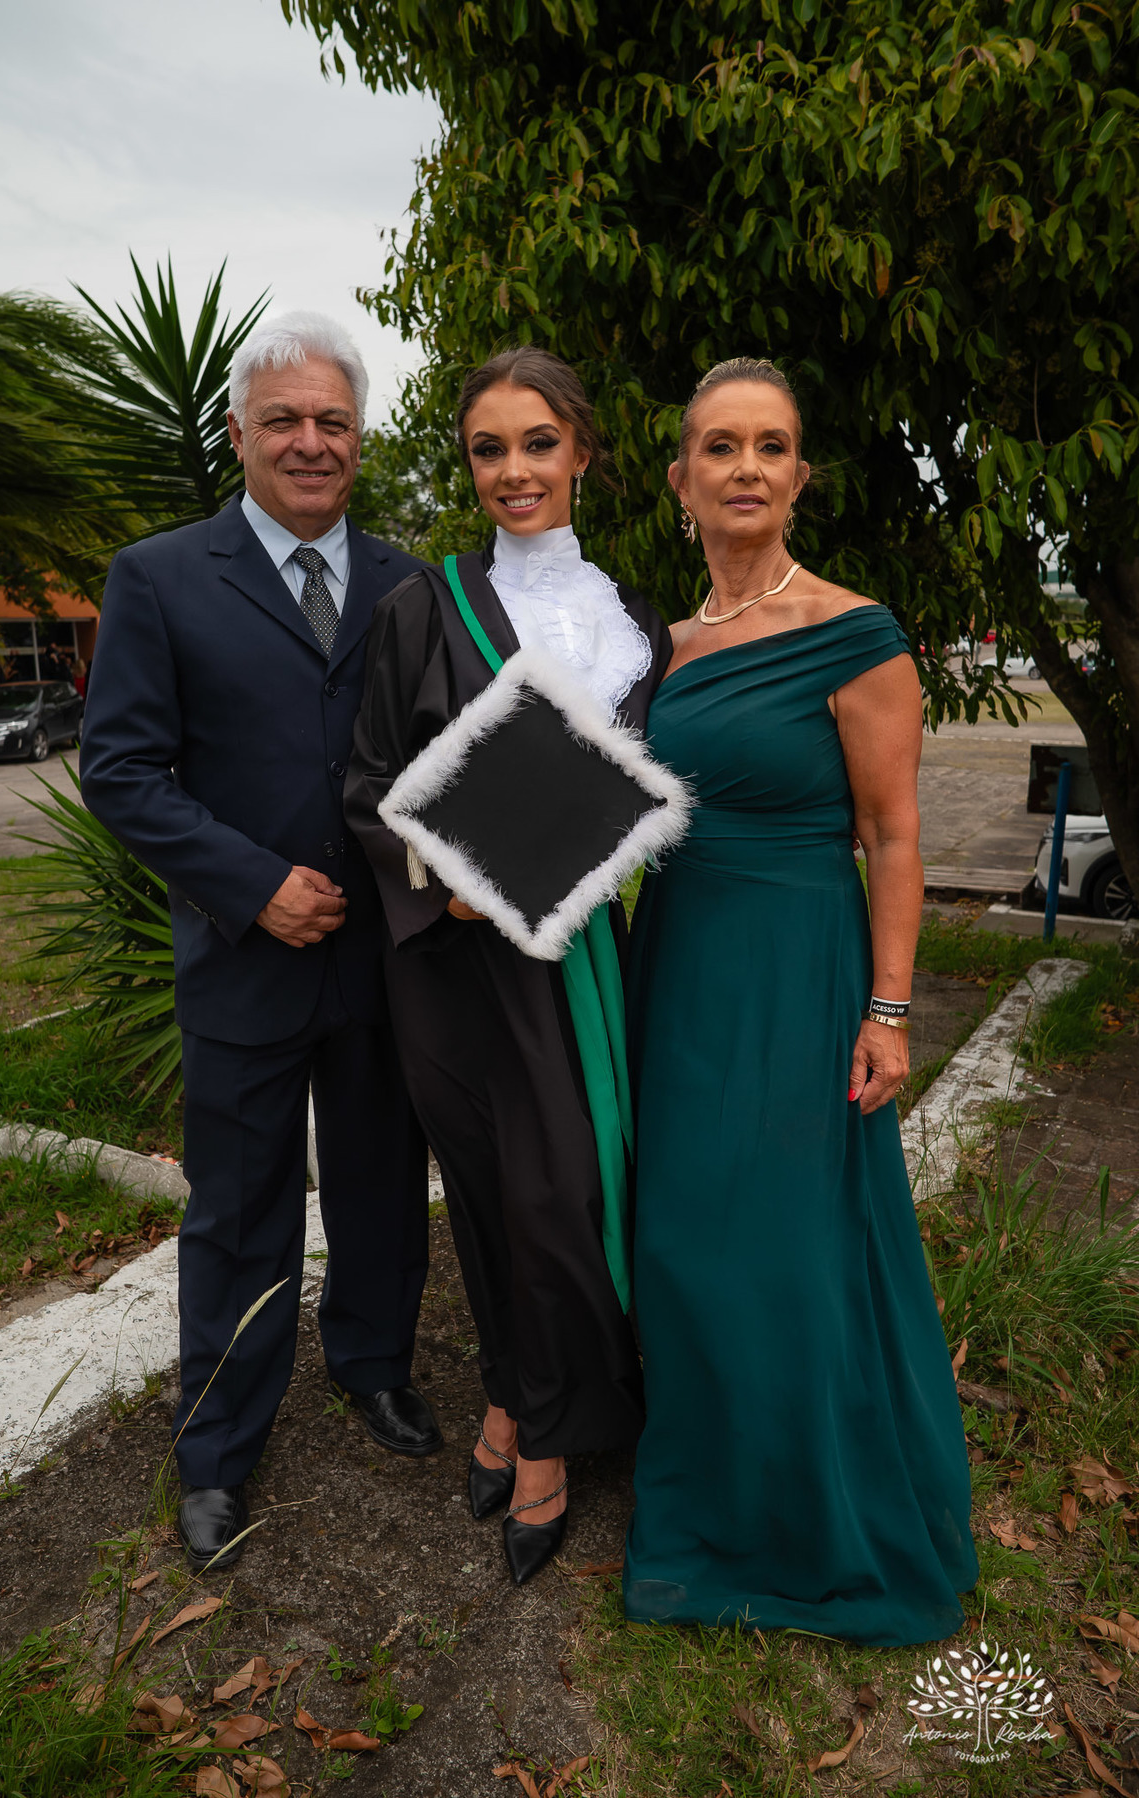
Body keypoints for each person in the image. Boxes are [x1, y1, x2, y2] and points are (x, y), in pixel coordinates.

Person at [623, 357, 978, 1645]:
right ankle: (711, 1481)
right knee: (680, 1234)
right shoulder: (660, 648)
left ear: (801, 475)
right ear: (681, 479)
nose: (748, 469)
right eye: (722, 447)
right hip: (681, 959)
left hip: (798, 960)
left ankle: (807, 1514)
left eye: (772, 446)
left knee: (783, 1238)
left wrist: (888, 1011)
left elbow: (893, 835)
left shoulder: (855, 631)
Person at [80, 312, 436, 1572]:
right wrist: (252, 883)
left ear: (359, 437)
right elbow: (120, 770)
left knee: (386, 1183)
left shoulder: (413, 582)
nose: (308, 441)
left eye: (332, 420)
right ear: (239, 431)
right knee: (238, 1210)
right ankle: (219, 1444)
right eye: (283, 419)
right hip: (243, 957)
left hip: (385, 963)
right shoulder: (161, 576)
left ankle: (376, 1366)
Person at [345, 347, 671, 1584]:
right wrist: (448, 879)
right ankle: (526, 1421)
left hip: (583, 956)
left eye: (539, 443)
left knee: (569, 1199)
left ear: (582, 451)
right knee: (495, 1196)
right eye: (490, 448)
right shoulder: (423, 609)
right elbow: (365, 786)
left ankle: (536, 1416)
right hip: (456, 963)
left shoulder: (640, 622)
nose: (514, 470)